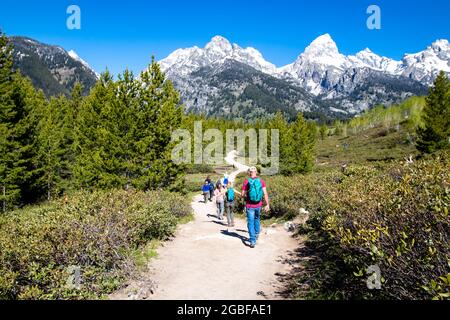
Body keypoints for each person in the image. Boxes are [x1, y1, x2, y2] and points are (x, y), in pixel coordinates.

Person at [241, 167, 270, 248]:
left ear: (249, 173)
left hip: (249, 206)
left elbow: (242, 195)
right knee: (257, 219)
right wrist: (267, 204)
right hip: (258, 205)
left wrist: (245, 194)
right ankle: (256, 234)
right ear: (256, 172)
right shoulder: (261, 181)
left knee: (250, 222)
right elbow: (265, 193)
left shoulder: (247, 182)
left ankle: (252, 240)